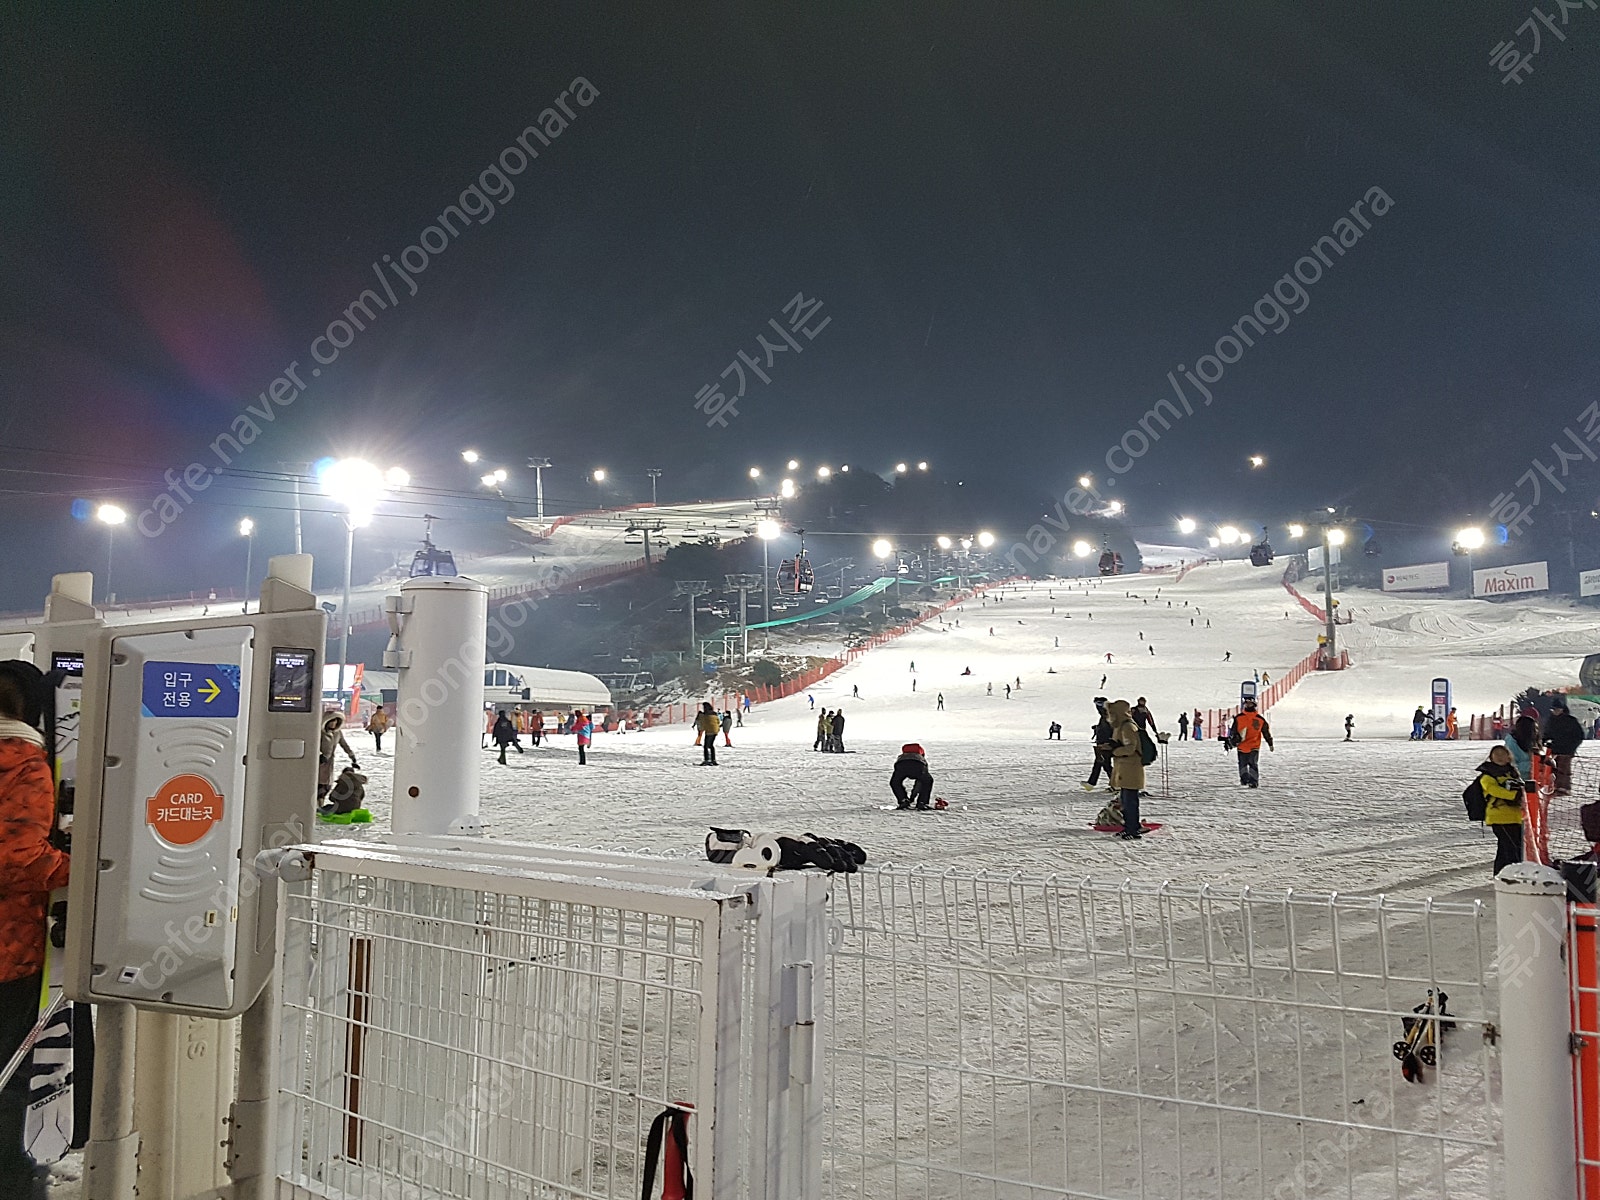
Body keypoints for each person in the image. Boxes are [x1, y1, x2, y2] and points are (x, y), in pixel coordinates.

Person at [0, 660, 71, 1194]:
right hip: (9, 947)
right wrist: (85, 869)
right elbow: (20, 858)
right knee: (11, 1066)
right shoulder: (24, 761)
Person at [1473, 744, 1527, 874]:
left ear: (1509, 757)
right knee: (1510, 848)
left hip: (1515, 817)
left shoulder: (1512, 773)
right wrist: (1515, 796)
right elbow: (1493, 790)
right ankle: (1510, 874)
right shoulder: (1488, 775)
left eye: (1503, 754)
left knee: (1508, 848)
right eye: (1496, 755)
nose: (1500, 757)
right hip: (1499, 817)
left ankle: (1501, 874)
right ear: (1491, 758)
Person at [1103, 699, 1146, 840]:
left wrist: (1115, 751)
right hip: (1125, 767)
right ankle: (1129, 826)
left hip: (1131, 768)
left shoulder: (1127, 727)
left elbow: (1130, 747)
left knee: (1130, 800)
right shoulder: (1120, 726)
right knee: (1125, 800)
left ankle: (1133, 829)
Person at [1227, 698, 1274, 788]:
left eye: (1250, 704)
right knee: (1242, 764)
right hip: (1242, 745)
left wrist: (1270, 743)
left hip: (1254, 745)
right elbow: (1233, 731)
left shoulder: (1260, 719)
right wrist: (1232, 740)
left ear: (1254, 705)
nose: (1248, 705)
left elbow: (1266, 732)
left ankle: (1253, 781)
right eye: (1246, 704)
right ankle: (1244, 780)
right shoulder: (1239, 718)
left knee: (1253, 763)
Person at [1544, 699, 1586, 796]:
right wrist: (1545, 740)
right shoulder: (1551, 720)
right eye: (1553, 710)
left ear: (1562, 709)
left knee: (1564, 769)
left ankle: (1564, 788)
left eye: (1557, 709)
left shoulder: (1570, 721)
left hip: (1567, 749)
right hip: (1554, 749)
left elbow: (1579, 735)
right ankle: (1554, 786)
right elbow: (1547, 733)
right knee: (1553, 768)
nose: (1555, 711)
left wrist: (1572, 746)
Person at [318, 712, 359, 801]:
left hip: (329, 762)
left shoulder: (338, 733)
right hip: (319, 761)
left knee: (327, 783)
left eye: (336, 722)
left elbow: (344, 745)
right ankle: (317, 803)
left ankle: (321, 802)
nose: (334, 724)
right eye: (332, 722)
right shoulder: (320, 733)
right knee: (319, 783)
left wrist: (351, 756)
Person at [890, 743, 934, 810]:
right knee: (927, 781)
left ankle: (903, 801)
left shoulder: (902, 756)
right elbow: (919, 782)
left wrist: (907, 800)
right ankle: (922, 803)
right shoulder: (921, 758)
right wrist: (913, 797)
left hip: (901, 764)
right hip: (918, 765)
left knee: (895, 782)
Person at [1083, 699, 1114, 791]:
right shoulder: (1105, 716)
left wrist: (1107, 742)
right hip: (1102, 744)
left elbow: (1109, 730)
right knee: (1099, 763)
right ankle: (1091, 783)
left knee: (1105, 764)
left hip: (1105, 744)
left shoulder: (1107, 717)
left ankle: (1116, 784)